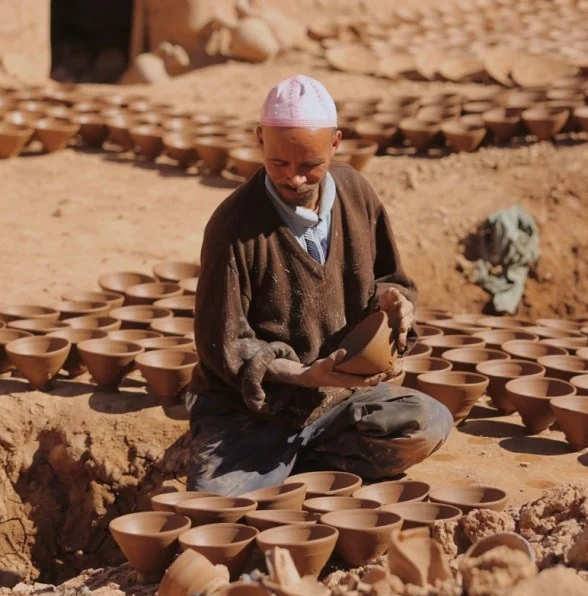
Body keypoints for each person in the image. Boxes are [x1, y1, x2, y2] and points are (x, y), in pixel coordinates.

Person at [186, 74, 452, 495]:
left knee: (427, 423)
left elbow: (391, 278)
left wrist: (394, 302)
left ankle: (297, 464)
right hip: (253, 412)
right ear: (260, 140)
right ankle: (274, 465)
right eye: (279, 164)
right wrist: (303, 375)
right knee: (217, 503)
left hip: (335, 401)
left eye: (310, 166)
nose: (295, 179)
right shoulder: (234, 227)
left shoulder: (357, 194)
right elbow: (227, 345)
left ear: (336, 143)